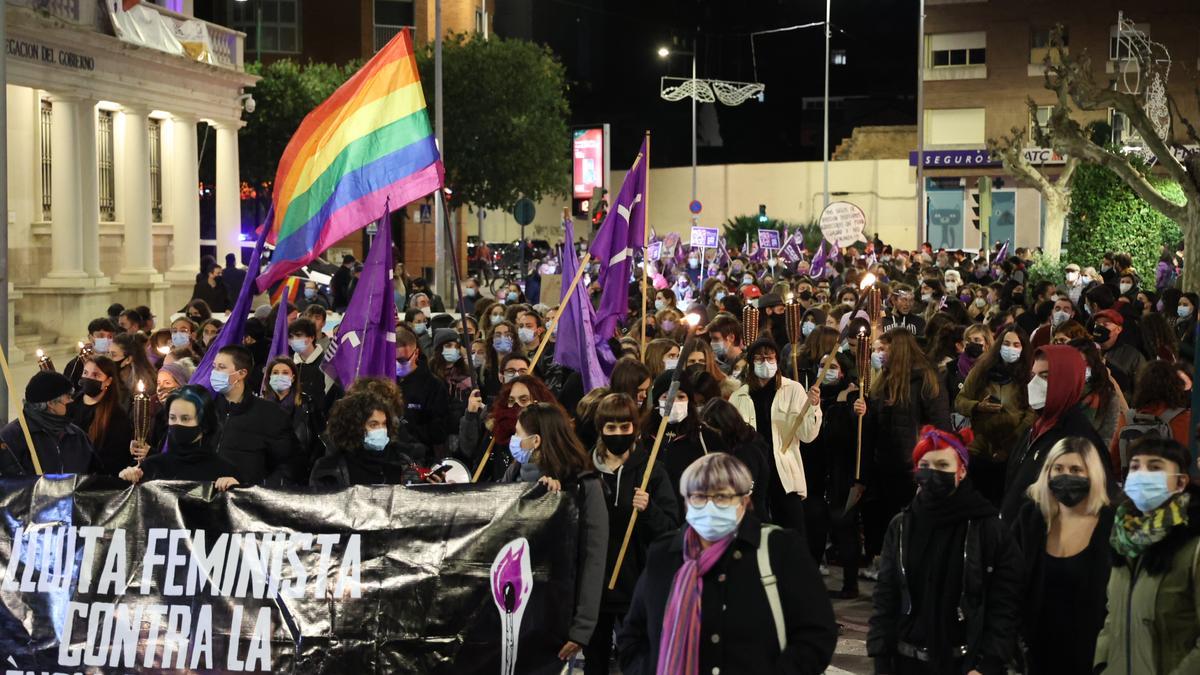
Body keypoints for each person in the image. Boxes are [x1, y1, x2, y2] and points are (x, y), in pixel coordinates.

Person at [617, 453, 838, 675]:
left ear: (744, 501)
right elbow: (632, 636)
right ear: (686, 502)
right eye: (699, 497)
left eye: (722, 497)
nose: (710, 506)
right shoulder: (665, 555)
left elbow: (817, 633)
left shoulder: (780, 550)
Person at [867, 426, 1023, 675]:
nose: (932, 473)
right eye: (925, 466)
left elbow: (1004, 601)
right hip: (907, 661)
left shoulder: (988, 528)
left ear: (961, 470)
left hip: (964, 664)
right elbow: (886, 596)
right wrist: (880, 657)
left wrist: (988, 663)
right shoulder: (902, 525)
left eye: (942, 465)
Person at [585, 393, 681, 675]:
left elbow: (670, 529)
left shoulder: (653, 472)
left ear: (634, 429)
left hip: (638, 582)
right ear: (600, 428)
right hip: (595, 586)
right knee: (595, 661)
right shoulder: (585, 471)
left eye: (624, 427)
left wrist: (649, 508)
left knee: (639, 658)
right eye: (610, 427)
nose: (618, 433)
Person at [510, 402, 608, 663]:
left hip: (557, 619)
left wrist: (582, 628)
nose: (514, 441)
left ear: (536, 440)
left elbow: (593, 558)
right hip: (512, 615)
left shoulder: (583, 485)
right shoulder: (513, 474)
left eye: (518, 434)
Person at [1094, 437, 1200, 675]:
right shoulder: (1123, 538)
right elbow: (1113, 616)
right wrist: (1102, 663)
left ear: (1181, 482)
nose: (1142, 474)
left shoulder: (1193, 545)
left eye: (1154, 467)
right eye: (1134, 467)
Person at [1010, 437, 1113, 675]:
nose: (1066, 476)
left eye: (1076, 469)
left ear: (1093, 475)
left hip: (1091, 655)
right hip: (1034, 653)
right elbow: (1010, 579)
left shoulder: (1111, 525)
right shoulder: (1030, 519)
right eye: (1058, 468)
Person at [857, 330, 952, 576]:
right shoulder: (882, 381)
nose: (878, 355)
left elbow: (940, 428)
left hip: (914, 469)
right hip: (886, 468)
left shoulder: (926, 380)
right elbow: (875, 427)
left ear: (898, 349)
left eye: (883, 349)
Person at [1001, 344, 1107, 522]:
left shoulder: (1079, 439)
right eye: (1032, 376)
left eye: (1045, 375)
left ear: (1068, 379)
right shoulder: (1036, 426)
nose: (1034, 384)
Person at [729, 338, 823, 535]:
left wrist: (813, 407)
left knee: (793, 531)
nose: (765, 363)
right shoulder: (738, 396)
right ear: (751, 362)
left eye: (770, 358)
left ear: (777, 361)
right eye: (760, 358)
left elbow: (807, 436)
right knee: (757, 531)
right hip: (753, 473)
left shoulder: (793, 389)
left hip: (784, 472)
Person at [954, 327, 1035, 506]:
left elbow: (1031, 413)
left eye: (1016, 345)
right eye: (1006, 344)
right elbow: (960, 401)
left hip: (1010, 453)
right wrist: (977, 406)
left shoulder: (1027, 377)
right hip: (979, 448)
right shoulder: (982, 371)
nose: (1010, 348)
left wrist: (1010, 445)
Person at [118, 386, 240, 488]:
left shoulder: (225, 472)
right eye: (172, 418)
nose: (177, 424)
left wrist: (237, 491)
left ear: (204, 424)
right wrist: (125, 480)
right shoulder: (152, 467)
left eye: (185, 419)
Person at [209, 345, 297, 486]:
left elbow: (287, 466)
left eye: (221, 367)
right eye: (214, 367)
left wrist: (249, 488)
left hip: (247, 502)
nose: (214, 372)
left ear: (242, 373)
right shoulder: (207, 409)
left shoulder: (271, 414)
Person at [310, 392, 428, 487]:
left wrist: (429, 485)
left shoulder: (403, 461)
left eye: (384, 424)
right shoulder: (329, 468)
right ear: (354, 427)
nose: (381, 430)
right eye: (373, 424)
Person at [0, 372, 98, 476]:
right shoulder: (11, 437)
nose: (72, 401)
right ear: (51, 404)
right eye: (68, 397)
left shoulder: (76, 435)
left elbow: (95, 475)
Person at [1109, 359, 1192, 475]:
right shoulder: (1185, 420)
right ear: (1176, 386)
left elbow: (1114, 464)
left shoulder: (1126, 419)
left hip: (1132, 489)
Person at [68, 356, 135, 476]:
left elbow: (115, 458)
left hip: (96, 477)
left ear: (108, 381)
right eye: (85, 373)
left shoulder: (116, 416)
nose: (88, 378)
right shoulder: (71, 403)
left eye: (96, 375)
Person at [394, 325, 450, 459]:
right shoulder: (383, 382)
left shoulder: (433, 385)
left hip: (420, 456)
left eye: (402, 360)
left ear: (416, 354)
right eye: (392, 359)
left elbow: (439, 432)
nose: (396, 364)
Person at [262, 356, 323, 472]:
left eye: (285, 373)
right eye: (275, 372)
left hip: (300, 470)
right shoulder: (261, 406)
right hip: (268, 471)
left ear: (293, 377)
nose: (280, 376)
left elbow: (319, 439)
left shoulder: (308, 404)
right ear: (269, 377)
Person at [288, 317, 338, 418]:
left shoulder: (327, 365)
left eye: (298, 336)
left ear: (311, 337)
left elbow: (331, 399)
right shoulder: (288, 363)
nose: (294, 340)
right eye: (290, 337)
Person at [1092, 309, 1145, 394]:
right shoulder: (1088, 349)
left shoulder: (1132, 356)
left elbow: (1141, 387)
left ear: (1118, 329)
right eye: (1097, 324)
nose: (1099, 327)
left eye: (1105, 324)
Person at [63, 318, 117, 386]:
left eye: (110, 336)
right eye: (101, 336)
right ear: (90, 338)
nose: (106, 340)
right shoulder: (77, 364)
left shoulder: (117, 360)